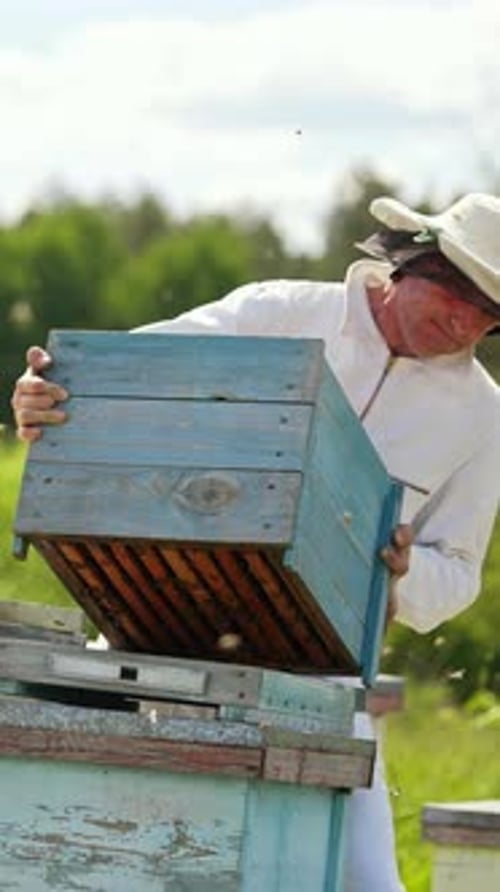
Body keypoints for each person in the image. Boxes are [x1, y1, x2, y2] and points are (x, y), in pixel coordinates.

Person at [11, 192, 500, 891]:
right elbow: (124, 373)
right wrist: (42, 391)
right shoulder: (280, 311)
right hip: (147, 636)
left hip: (318, 679)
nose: (466, 324)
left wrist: (400, 574)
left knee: (369, 884)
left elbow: (457, 573)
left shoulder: (484, 418)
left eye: (490, 316)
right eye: (460, 297)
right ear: (411, 262)